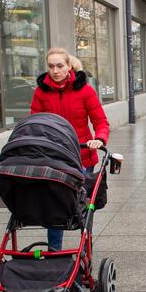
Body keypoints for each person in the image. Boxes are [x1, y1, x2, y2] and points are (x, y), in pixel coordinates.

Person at [30, 47, 109, 251]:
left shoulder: (84, 91)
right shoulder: (41, 92)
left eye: (59, 66)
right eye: (51, 66)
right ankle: (54, 251)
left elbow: (100, 121)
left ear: (69, 67)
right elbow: (34, 122)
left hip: (82, 155)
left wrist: (99, 139)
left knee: (82, 206)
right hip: (53, 157)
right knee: (54, 206)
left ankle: (84, 250)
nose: (55, 71)